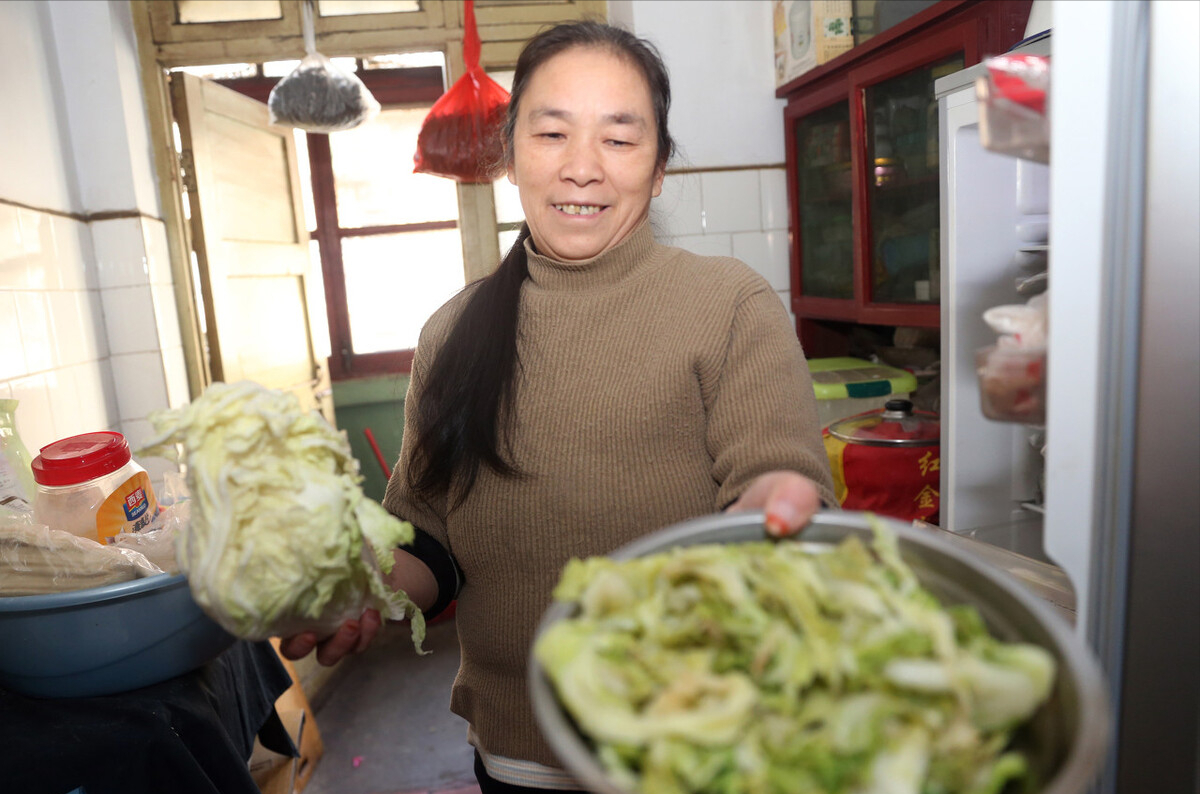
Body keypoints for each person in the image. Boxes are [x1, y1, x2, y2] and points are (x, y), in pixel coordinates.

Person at [281, 20, 836, 793]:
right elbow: (431, 543)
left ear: (660, 167)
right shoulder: (455, 331)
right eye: (551, 133)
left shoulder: (727, 303)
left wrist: (777, 503)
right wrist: (361, 581)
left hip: (696, 740)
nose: (583, 169)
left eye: (619, 138)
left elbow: (772, 469)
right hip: (522, 747)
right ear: (510, 155)